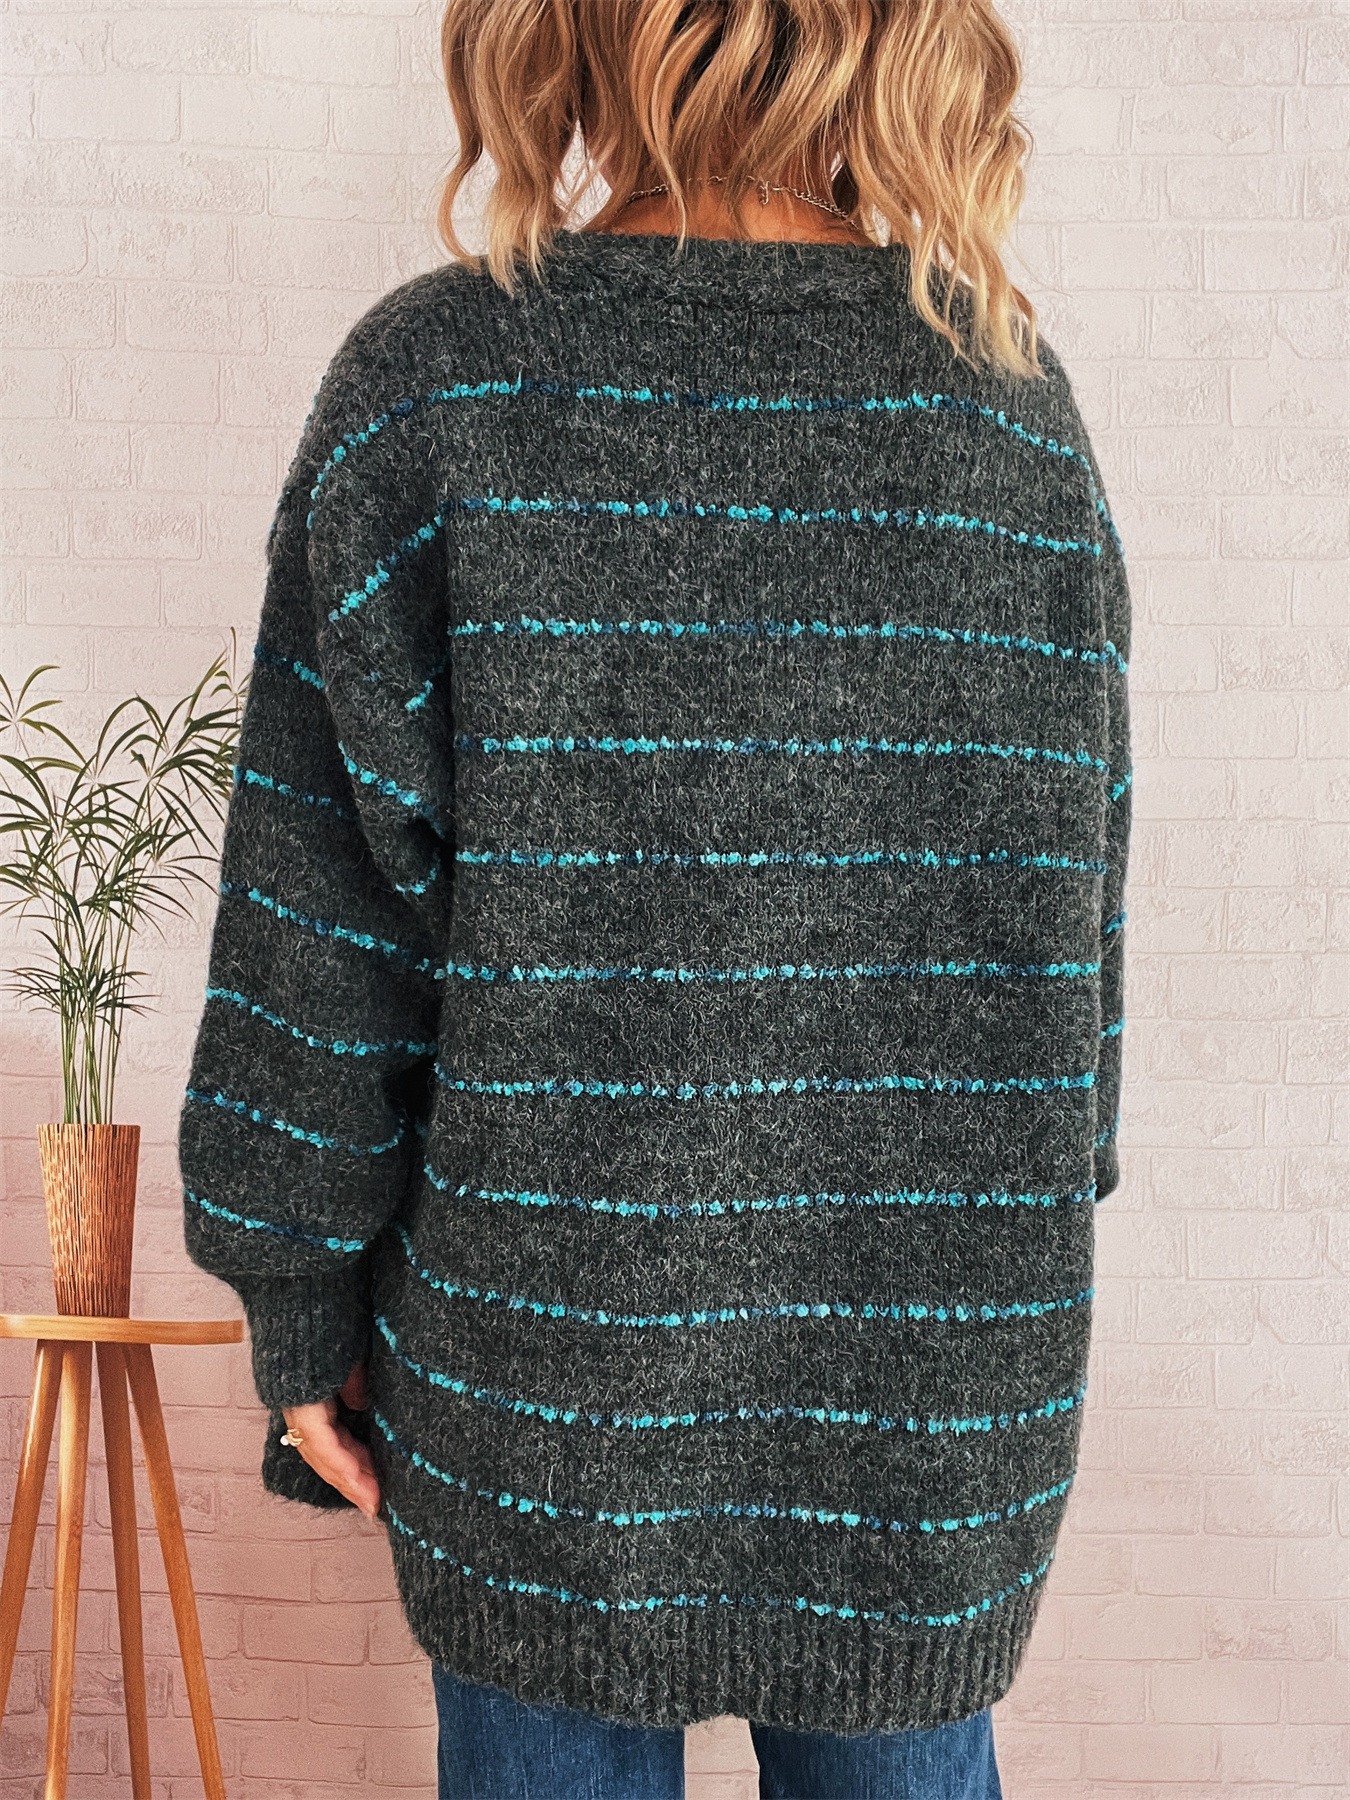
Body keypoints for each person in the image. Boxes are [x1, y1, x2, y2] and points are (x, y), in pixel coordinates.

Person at [177, 2, 1132, 1796]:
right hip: (921, 1384)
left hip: (543, 1385)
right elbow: (1074, 939)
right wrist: (1020, 1226)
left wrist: (296, 1294)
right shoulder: (1007, 411)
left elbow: (322, 927)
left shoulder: (440, 383)